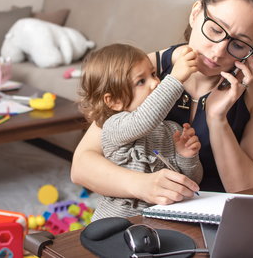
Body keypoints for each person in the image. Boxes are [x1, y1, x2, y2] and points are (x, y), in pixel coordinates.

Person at [72, 0, 253, 204]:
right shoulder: (147, 72)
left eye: (238, 44)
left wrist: (217, 120)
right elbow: (82, 165)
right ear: (196, 13)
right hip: (148, 214)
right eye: (215, 30)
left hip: (222, 219)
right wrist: (141, 185)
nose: (217, 52)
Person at [78, 43, 203, 220]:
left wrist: (187, 156)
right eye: (141, 81)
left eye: (153, 74)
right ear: (114, 101)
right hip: (115, 224)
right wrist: (175, 79)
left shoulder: (172, 129)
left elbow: (191, 182)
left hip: (159, 222)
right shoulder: (113, 126)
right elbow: (143, 120)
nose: (155, 82)